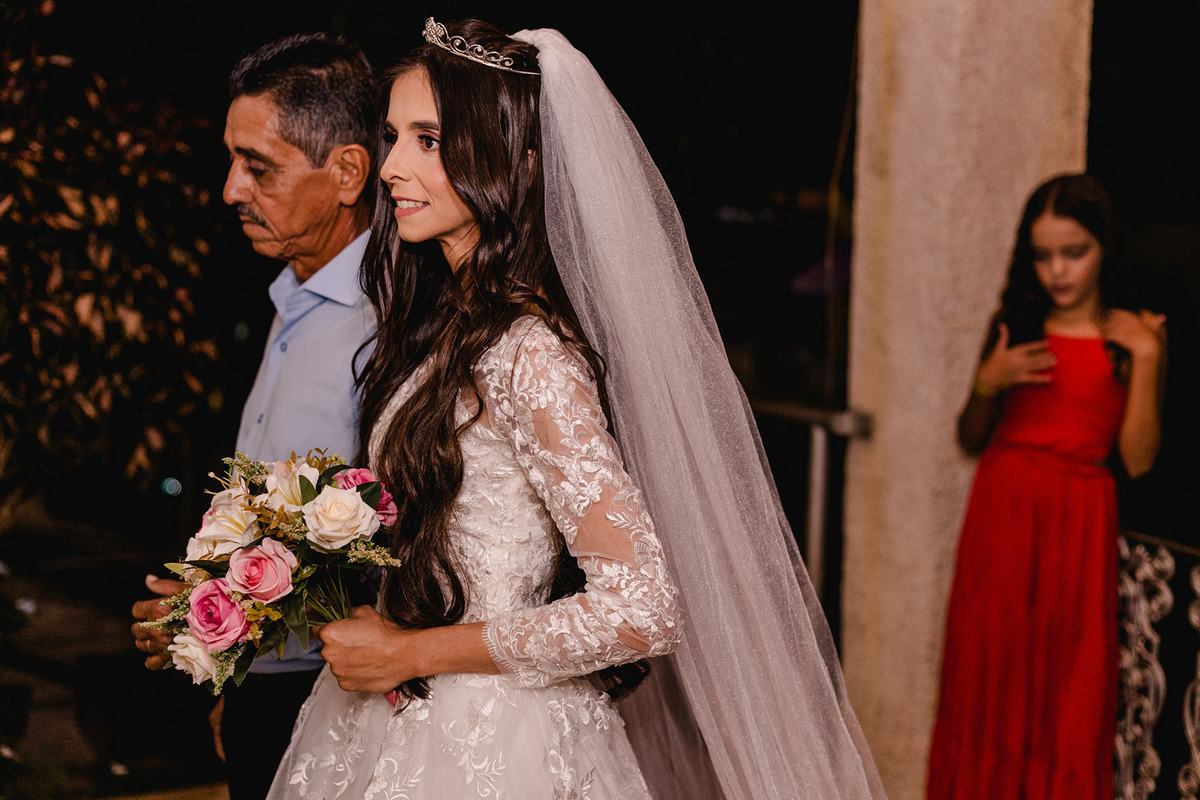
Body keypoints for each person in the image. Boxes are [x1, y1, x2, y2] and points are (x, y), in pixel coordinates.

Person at [268, 18, 885, 800]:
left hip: (490, 742)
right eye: (392, 136)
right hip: (388, 712)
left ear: (515, 164)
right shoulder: (440, 327)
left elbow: (642, 607)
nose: (391, 167)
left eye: (429, 140)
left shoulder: (532, 355)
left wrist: (415, 653)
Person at [129, 33, 376, 800]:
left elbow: (389, 536)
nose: (231, 189)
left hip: (336, 691)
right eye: (234, 161)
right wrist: (224, 649)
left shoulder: (387, 327)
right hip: (267, 682)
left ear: (345, 173)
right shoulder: (293, 295)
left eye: (257, 167)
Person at [927, 174, 1166, 799]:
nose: (1057, 270)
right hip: (1004, 510)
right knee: (993, 670)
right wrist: (989, 379)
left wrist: (1148, 358)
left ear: (1105, 248)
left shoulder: (1131, 339)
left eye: (1074, 252)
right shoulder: (1016, 325)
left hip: (1079, 521)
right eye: (1043, 255)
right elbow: (969, 438)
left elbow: (1138, 461)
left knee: (1068, 680)